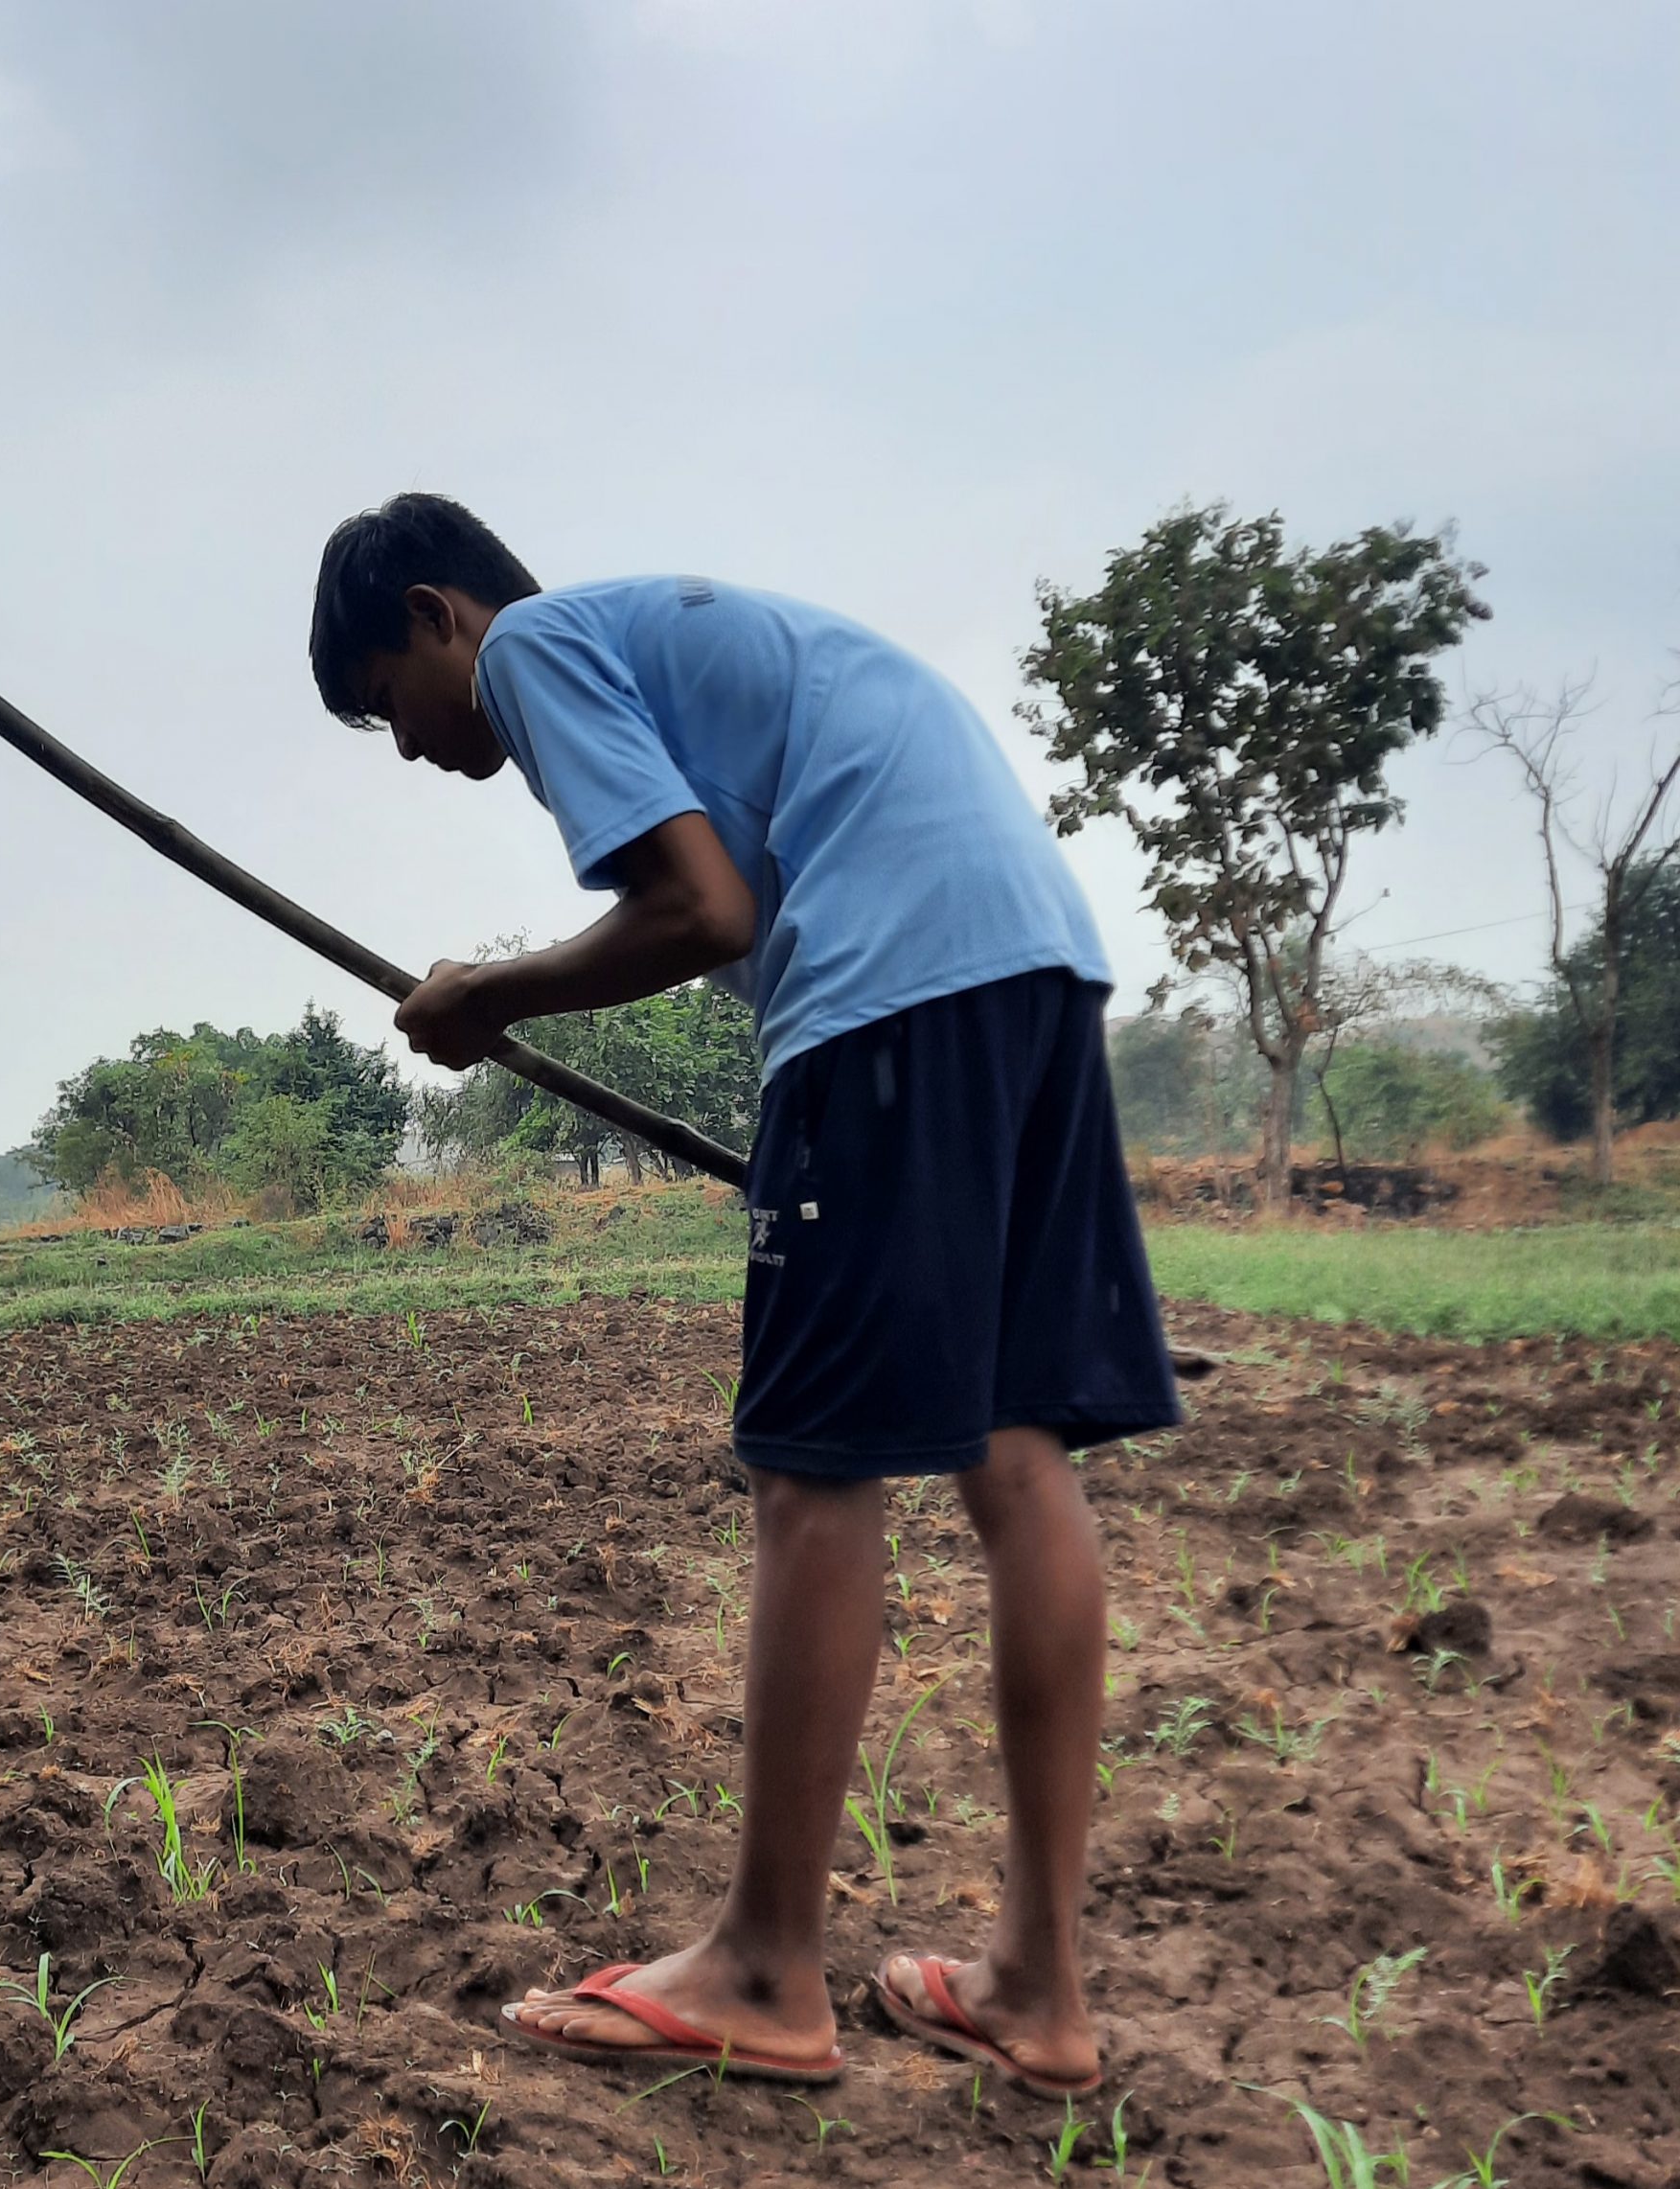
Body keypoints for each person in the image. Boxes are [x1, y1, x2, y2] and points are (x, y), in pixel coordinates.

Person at [306, 495, 1182, 2097]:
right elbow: (740, 889)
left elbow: (706, 907)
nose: (412, 744)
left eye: (385, 701)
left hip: (897, 987)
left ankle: (771, 1968)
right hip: (1034, 970)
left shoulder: (539, 647)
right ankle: (1038, 1989)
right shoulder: (671, 633)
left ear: (440, 615)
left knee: (812, 1476)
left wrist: (487, 990)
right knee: (1013, 1453)